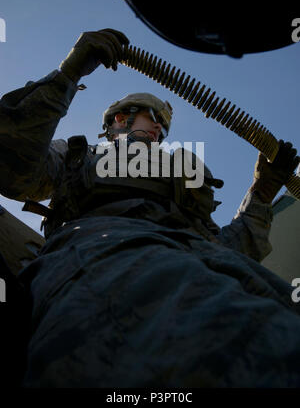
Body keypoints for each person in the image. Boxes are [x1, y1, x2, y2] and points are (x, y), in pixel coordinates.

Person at [0, 28, 300, 388]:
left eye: (163, 125)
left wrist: (262, 193)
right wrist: (68, 74)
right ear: (119, 120)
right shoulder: (80, 155)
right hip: (106, 253)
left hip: (211, 263)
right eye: (151, 117)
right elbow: (12, 170)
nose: (159, 128)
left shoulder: (181, 174)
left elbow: (224, 246)